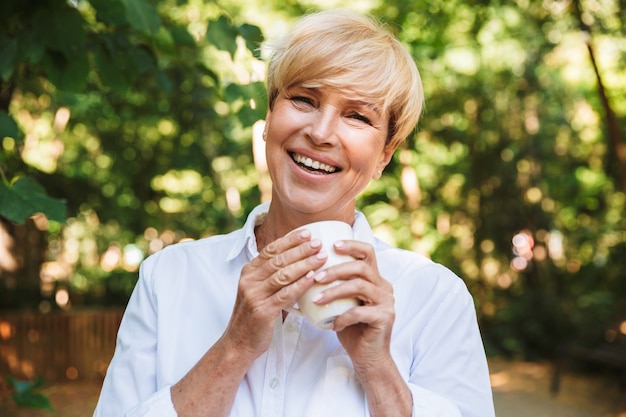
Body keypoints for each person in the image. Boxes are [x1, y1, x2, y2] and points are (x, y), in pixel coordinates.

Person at [93, 9, 495, 417]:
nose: (320, 133)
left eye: (357, 116)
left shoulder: (436, 298)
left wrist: (378, 369)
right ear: (268, 117)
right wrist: (233, 347)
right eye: (304, 99)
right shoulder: (168, 278)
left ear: (384, 156)